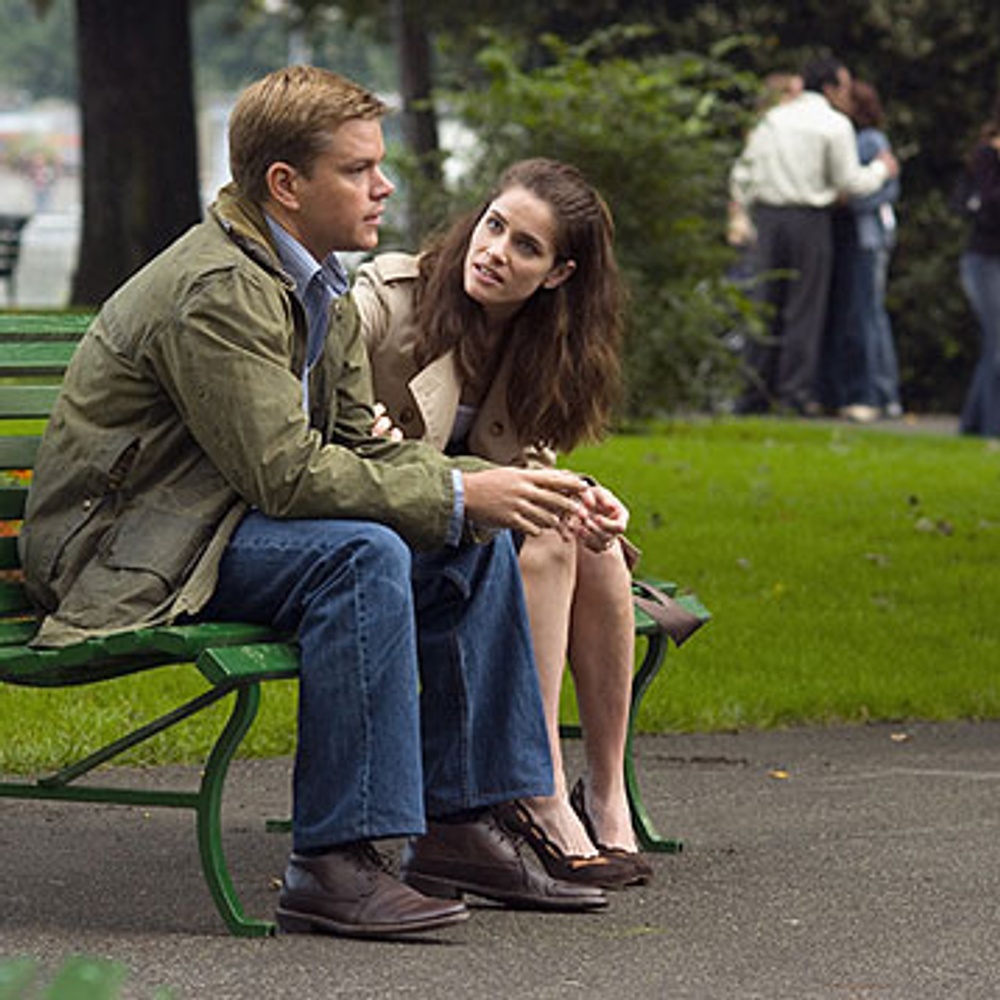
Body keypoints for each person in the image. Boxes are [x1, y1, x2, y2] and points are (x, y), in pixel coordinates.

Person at [18, 66, 612, 941]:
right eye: (359, 169)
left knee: (472, 539)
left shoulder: (315, 280)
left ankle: (463, 822)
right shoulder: (218, 288)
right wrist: (455, 487)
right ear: (285, 186)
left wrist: (495, 495)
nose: (384, 186)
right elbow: (286, 475)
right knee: (362, 556)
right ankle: (335, 864)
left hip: (208, 524)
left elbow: (356, 443)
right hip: (123, 550)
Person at [354, 158, 655, 890]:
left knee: (587, 536)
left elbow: (527, 463)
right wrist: (361, 427)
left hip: (469, 527)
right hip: (391, 527)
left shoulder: (543, 342)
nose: (494, 252)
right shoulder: (391, 298)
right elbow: (313, 390)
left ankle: (605, 792)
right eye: (493, 226)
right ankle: (536, 788)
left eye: (526, 246)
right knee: (553, 530)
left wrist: (585, 495)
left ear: (558, 274)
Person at [729, 55, 900, 416]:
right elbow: (848, 181)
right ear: (830, 88)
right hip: (810, 219)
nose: (847, 95)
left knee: (763, 306)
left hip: (768, 217)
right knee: (804, 310)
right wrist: (880, 171)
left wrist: (743, 212)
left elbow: (743, 172)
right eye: (844, 87)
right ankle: (793, 395)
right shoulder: (834, 124)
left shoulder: (773, 119)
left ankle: (752, 394)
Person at [820, 79, 903, 423]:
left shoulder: (868, 140)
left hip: (865, 237)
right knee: (859, 314)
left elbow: (886, 190)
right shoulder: (846, 136)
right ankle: (873, 392)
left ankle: (876, 392)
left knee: (865, 314)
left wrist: (847, 199)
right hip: (849, 236)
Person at [957, 95, 1000, 437]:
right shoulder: (988, 154)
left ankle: (972, 425)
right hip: (984, 260)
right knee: (997, 342)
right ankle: (992, 425)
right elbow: (987, 206)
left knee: (994, 344)